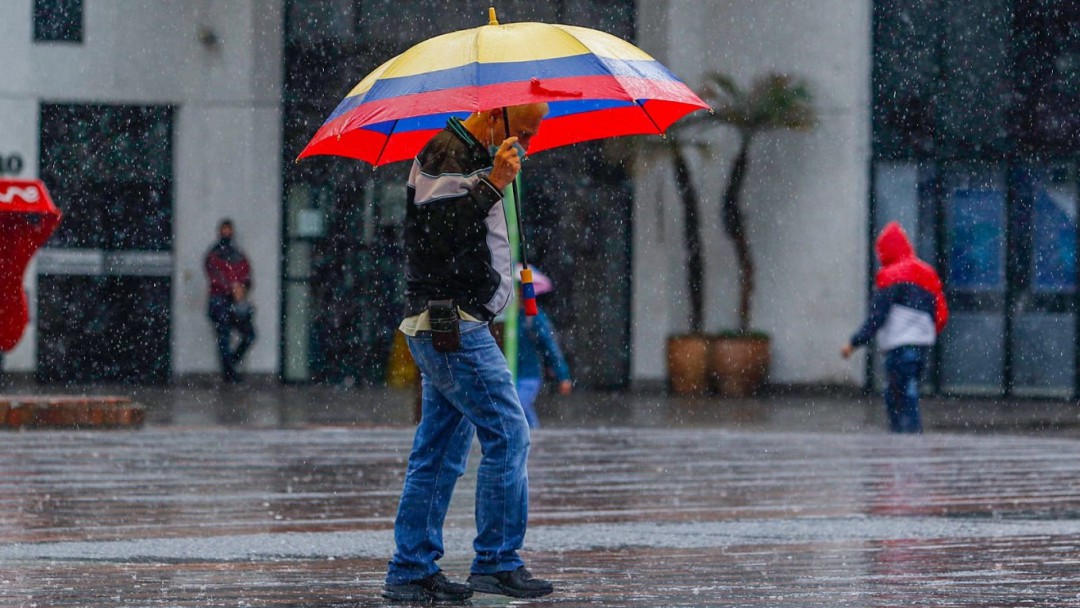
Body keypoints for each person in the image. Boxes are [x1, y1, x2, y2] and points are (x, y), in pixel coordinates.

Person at [382, 103, 555, 603]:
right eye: (524, 131)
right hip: (450, 320)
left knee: (439, 451)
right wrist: (492, 185)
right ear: (495, 114)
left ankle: (411, 568)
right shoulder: (447, 152)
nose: (529, 142)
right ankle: (496, 562)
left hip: (454, 320)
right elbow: (435, 238)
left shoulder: (473, 154)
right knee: (508, 432)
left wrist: (494, 182)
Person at [842, 221, 948, 433]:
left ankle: (905, 436)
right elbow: (941, 312)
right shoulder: (927, 273)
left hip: (900, 345)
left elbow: (877, 316)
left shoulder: (890, 276)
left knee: (897, 394)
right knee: (908, 389)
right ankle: (909, 434)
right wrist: (927, 334)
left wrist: (855, 342)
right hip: (921, 346)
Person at [514, 265, 571, 429]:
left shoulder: (534, 317)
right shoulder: (507, 316)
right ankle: (534, 435)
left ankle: (533, 437)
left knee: (518, 408)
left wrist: (563, 375)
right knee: (520, 410)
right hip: (508, 374)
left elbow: (550, 346)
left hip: (528, 375)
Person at [204, 219, 255, 383]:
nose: (227, 233)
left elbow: (246, 277)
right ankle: (229, 370)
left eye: (228, 230)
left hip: (231, 302)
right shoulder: (214, 254)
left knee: (247, 335)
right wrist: (232, 287)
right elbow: (216, 276)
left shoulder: (236, 254)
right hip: (220, 302)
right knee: (224, 337)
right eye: (224, 230)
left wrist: (241, 288)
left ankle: (229, 366)